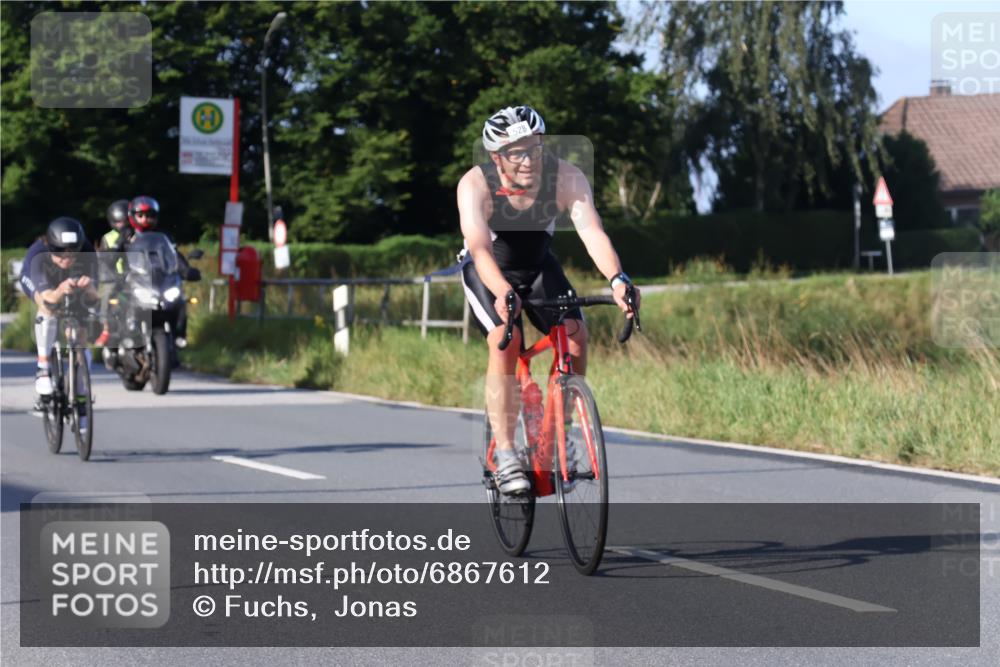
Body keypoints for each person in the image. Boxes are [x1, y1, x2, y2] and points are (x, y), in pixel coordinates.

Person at [457, 105, 640, 494]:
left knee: (575, 332)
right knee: (505, 340)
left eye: (534, 149)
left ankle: (560, 438)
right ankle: (506, 453)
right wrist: (504, 293)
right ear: (496, 157)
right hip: (488, 270)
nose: (527, 160)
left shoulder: (565, 177)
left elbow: (592, 232)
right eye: (516, 152)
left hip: (538, 266)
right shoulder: (475, 184)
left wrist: (618, 278)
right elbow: (478, 248)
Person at [19, 217, 99, 420]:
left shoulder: (87, 250)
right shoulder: (39, 253)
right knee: (48, 308)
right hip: (43, 282)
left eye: (72, 253)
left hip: (73, 287)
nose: (66, 258)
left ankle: (79, 392)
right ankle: (43, 367)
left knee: (80, 338)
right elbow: (48, 298)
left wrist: (89, 287)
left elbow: (94, 296)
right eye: (60, 253)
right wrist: (61, 289)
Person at [126, 195, 195, 348]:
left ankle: (179, 335)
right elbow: (114, 258)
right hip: (135, 280)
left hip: (160, 281)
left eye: (149, 216)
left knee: (180, 301)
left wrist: (186, 270)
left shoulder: (164, 237)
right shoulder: (126, 237)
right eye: (141, 215)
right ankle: (126, 334)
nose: (145, 219)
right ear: (133, 216)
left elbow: (176, 256)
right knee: (121, 298)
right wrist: (114, 272)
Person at [94, 199, 132, 346]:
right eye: (119, 222)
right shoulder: (108, 238)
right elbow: (105, 261)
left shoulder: (136, 235)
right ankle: (106, 329)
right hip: (114, 278)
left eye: (125, 222)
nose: (122, 226)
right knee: (106, 296)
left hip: (135, 275)